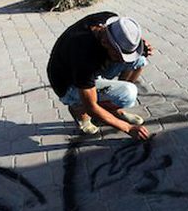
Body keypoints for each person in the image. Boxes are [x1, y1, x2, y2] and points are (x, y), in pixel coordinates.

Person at [47, 11, 153, 140]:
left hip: (91, 66)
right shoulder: (84, 57)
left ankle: (111, 107)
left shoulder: (110, 21)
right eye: (119, 54)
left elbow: (127, 40)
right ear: (105, 42)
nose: (123, 60)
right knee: (128, 93)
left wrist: (138, 47)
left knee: (139, 60)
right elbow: (91, 106)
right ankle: (77, 109)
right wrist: (128, 128)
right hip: (68, 83)